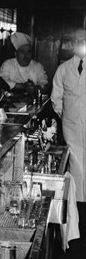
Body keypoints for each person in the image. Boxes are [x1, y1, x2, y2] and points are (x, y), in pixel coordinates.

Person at [51, 28, 86, 202]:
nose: (81, 44)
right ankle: (78, 206)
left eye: (84, 40)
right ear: (72, 44)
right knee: (75, 166)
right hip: (70, 126)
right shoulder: (64, 68)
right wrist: (67, 116)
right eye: (77, 41)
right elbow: (56, 97)